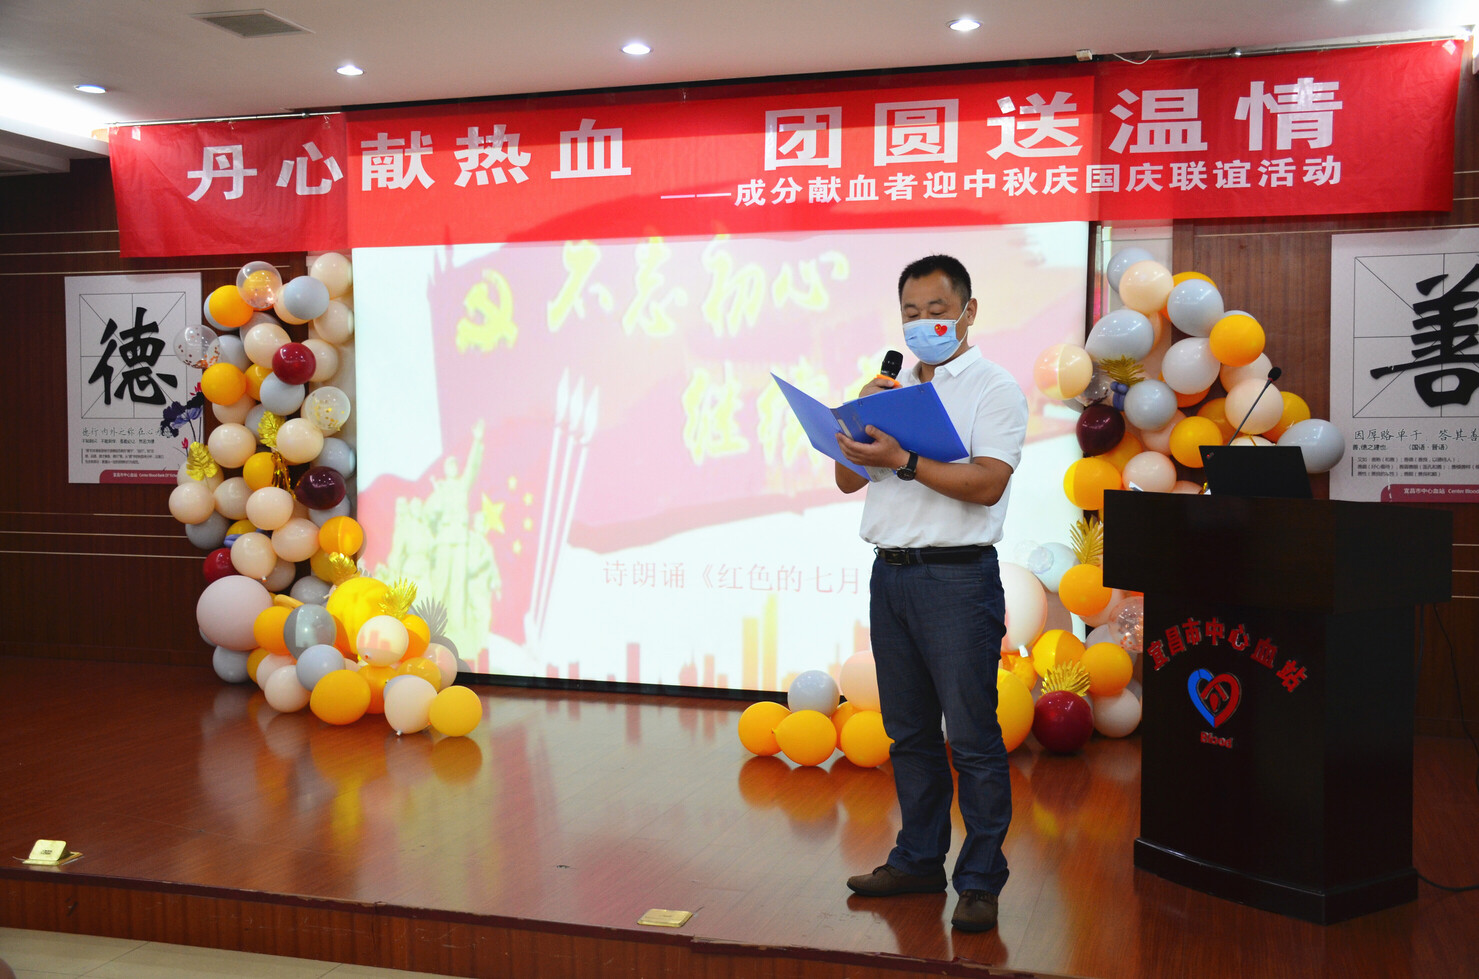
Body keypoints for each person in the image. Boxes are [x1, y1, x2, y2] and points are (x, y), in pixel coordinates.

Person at [834, 254, 1028, 934]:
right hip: (890, 574)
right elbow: (846, 480)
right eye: (911, 314)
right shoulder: (890, 390)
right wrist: (858, 419)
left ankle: (979, 880)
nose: (923, 324)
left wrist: (906, 461)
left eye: (937, 311)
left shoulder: (993, 387)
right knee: (909, 733)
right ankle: (917, 860)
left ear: (968, 312)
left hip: (957, 579)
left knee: (971, 737)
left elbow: (987, 483)